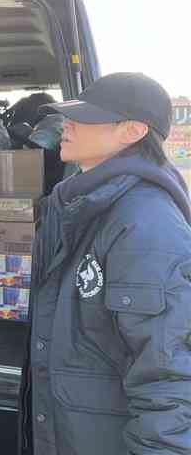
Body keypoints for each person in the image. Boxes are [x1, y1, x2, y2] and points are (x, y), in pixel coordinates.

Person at [20, 72, 191, 455]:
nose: (68, 123)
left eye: (86, 116)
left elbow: (170, 375)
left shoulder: (147, 225)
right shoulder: (75, 204)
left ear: (131, 131)